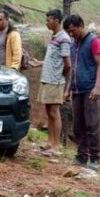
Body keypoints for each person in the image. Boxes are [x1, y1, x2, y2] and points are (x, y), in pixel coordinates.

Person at [63, 14, 100, 169]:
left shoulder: (94, 41)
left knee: (91, 124)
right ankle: (81, 156)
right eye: (69, 32)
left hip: (90, 89)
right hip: (77, 89)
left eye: (73, 31)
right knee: (78, 125)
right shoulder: (74, 44)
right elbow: (72, 68)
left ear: (80, 25)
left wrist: (97, 87)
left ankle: (94, 159)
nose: (71, 34)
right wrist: (68, 89)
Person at [31, 9, 71, 157]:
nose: (46, 23)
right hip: (47, 79)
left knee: (55, 112)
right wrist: (39, 63)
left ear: (56, 20)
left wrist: (60, 77)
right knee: (49, 112)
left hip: (55, 81)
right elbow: (54, 60)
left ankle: (56, 146)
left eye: (48, 20)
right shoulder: (54, 37)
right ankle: (49, 142)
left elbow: (67, 64)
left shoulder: (64, 38)